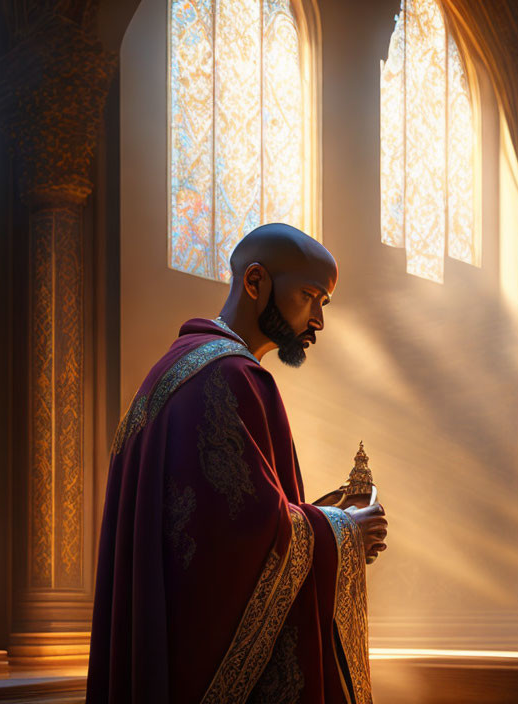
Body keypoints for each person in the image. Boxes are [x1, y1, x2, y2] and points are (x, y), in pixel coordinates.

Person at [87, 223, 389, 703]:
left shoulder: (177, 370)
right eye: (309, 296)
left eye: (323, 304)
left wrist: (325, 521)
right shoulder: (228, 376)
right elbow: (242, 541)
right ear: (255, 283)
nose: (318, 321)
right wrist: (343, 529)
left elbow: (217, 524)